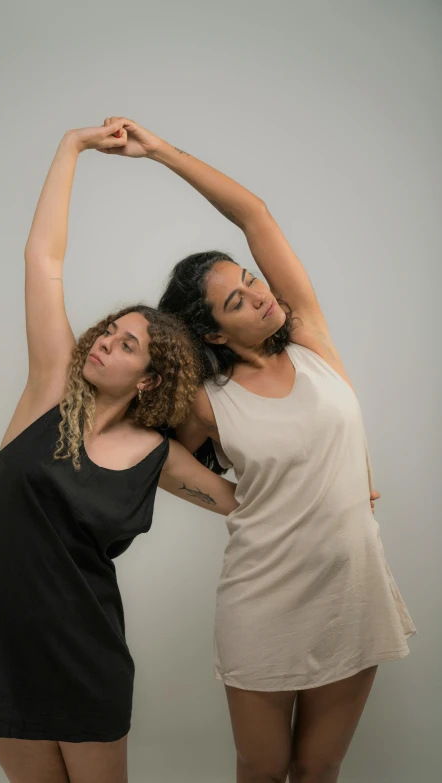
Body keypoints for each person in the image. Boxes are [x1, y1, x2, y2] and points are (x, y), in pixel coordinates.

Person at [98, 117, 415, 783]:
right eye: (239, 300)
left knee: (320, 767)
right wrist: (231, 501)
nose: (262, 295)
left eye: (251, 278)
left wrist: (159, 151)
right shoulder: (207, 400)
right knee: (263, 768)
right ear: (211, 329)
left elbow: (254, 213)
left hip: (351, 589)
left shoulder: (308, 336)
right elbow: (128, 441)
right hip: (263, 599)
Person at [0, 120, 239, 783]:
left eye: (129, 343)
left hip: (86, 655)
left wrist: (339, 480)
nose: (107, 339)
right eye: (111, 328)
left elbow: (240, 503)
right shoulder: (50, 385)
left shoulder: (155, 455)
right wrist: (72, 145)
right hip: (3, 639)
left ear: (148, 380)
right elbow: (43, 260)